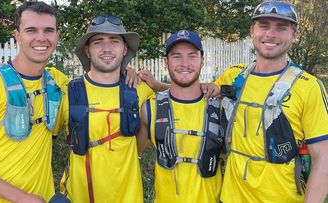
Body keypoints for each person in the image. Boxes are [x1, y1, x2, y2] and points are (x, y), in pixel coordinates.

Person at [215, 1, 328, 202]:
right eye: (264, 25)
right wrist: (152, 84)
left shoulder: (309, 87)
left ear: (295, 34)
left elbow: (324, 159)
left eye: (281, 28)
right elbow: (197, 90)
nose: (270, 34)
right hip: (230, 197)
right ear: (252, 31)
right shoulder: (233, 76)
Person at [0, 1, 69, 202]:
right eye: (31, 30)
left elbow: (97, 87)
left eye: (49, 30)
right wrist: (21, 198)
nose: (41, 38)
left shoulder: (57, 82)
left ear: (57, 35)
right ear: (17, 36)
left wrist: (129, 73)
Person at [59, 15, 155, 203]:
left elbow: (186, 92)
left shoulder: (141, 90)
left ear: (124, 48)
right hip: (79, 197)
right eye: (98, 41)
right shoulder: (67, 92)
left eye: (114, 41)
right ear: (87, 50)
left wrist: (158, 84)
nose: (107, 48)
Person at [137, 29, 226, 202]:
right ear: (166, 62)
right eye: (177, 56)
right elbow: (126, 154)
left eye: (192, 56)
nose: (185, 63)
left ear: (202, 60)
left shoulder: (221, 108)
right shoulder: (149, 109)